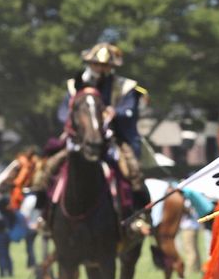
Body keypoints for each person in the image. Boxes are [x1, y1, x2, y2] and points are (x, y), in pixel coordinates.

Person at [54, 42, 150, 214]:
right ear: (90, 64)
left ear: (111, 67)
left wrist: (115, 112)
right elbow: (62, 112)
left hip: (114, 140)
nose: (100, 69)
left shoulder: (125, 86)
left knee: (133, 171)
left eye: (105, 65)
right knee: (48, 168)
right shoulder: (74, 86)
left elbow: (130, 110)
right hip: (80, 139)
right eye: (96, 64)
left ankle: (140, 214)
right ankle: (43, 215)